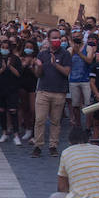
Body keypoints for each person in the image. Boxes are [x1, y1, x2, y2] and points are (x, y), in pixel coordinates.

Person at [32, 29, 71, 157]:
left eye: (59, 38)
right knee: (40, 120)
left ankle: (53, 145)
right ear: (48, 39)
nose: (57, 40)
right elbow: (38, 75)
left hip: (59, 92)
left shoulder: (65, 54)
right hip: (43, 91)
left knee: (55, 121)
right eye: (54, 38)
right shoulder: (42, 54)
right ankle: (38, 145)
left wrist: (55, 64)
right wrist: (39, 67)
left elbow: (66, 72)